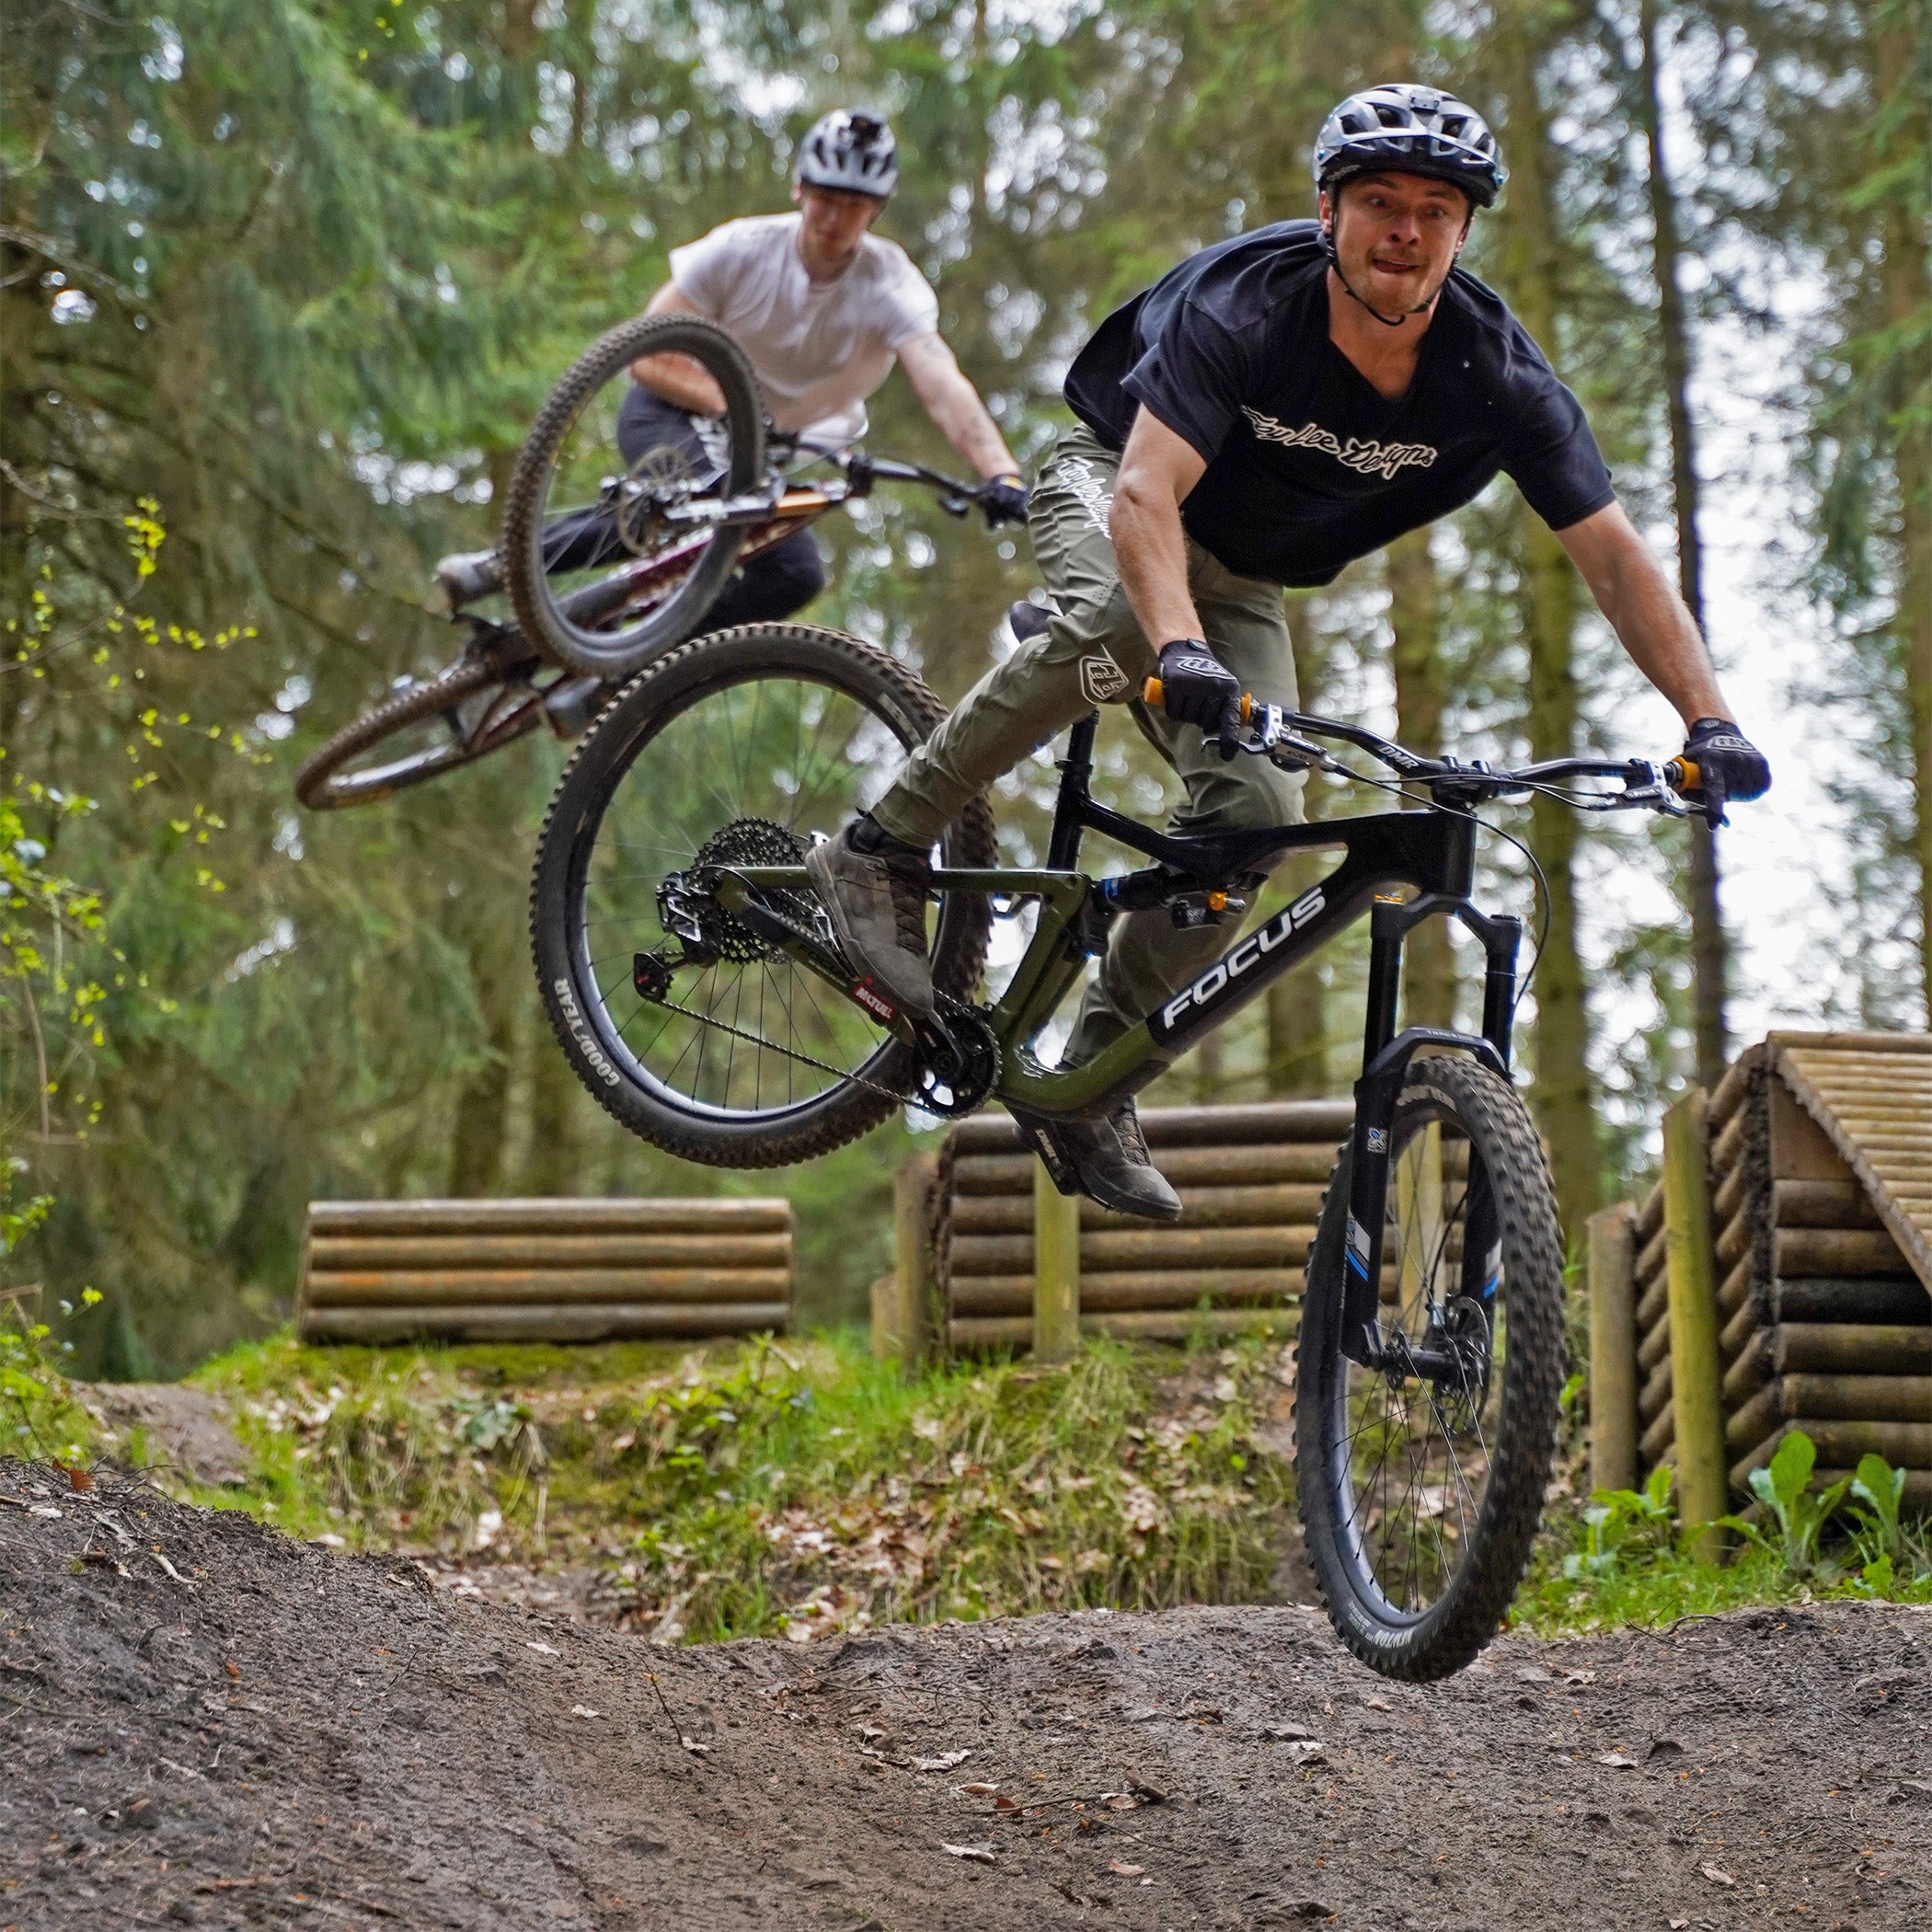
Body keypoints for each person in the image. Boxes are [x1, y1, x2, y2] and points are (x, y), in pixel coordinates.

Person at [808, 82, 1771, 1221]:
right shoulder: (1247, 308)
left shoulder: (1497, 373)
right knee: (1124, 627)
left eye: (1433, 209)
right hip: (1112, 484)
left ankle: (1089, 1084)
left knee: (1259, 812)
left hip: (1243, 572)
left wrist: (1707, 721)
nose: (1404, 231)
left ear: (1464, 232)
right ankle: (878, 845)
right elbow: (1145, 492)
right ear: (1328, 211)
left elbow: (1611, 557)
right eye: (1377, 201)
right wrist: (1177, 647)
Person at [434, 109, 1029, 615]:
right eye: (823, 198)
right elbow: (645, 353)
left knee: (796, 576)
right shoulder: (740, 251)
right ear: (798, 189)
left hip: (776, 454)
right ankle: (500, 567)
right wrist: (732, 410)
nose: (832, 219)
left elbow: (943, 386)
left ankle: (638, 662)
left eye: (853, 205)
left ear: (876, 210)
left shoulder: (891, 285)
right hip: (672, 409)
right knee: (713, 490)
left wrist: (1001, 474)